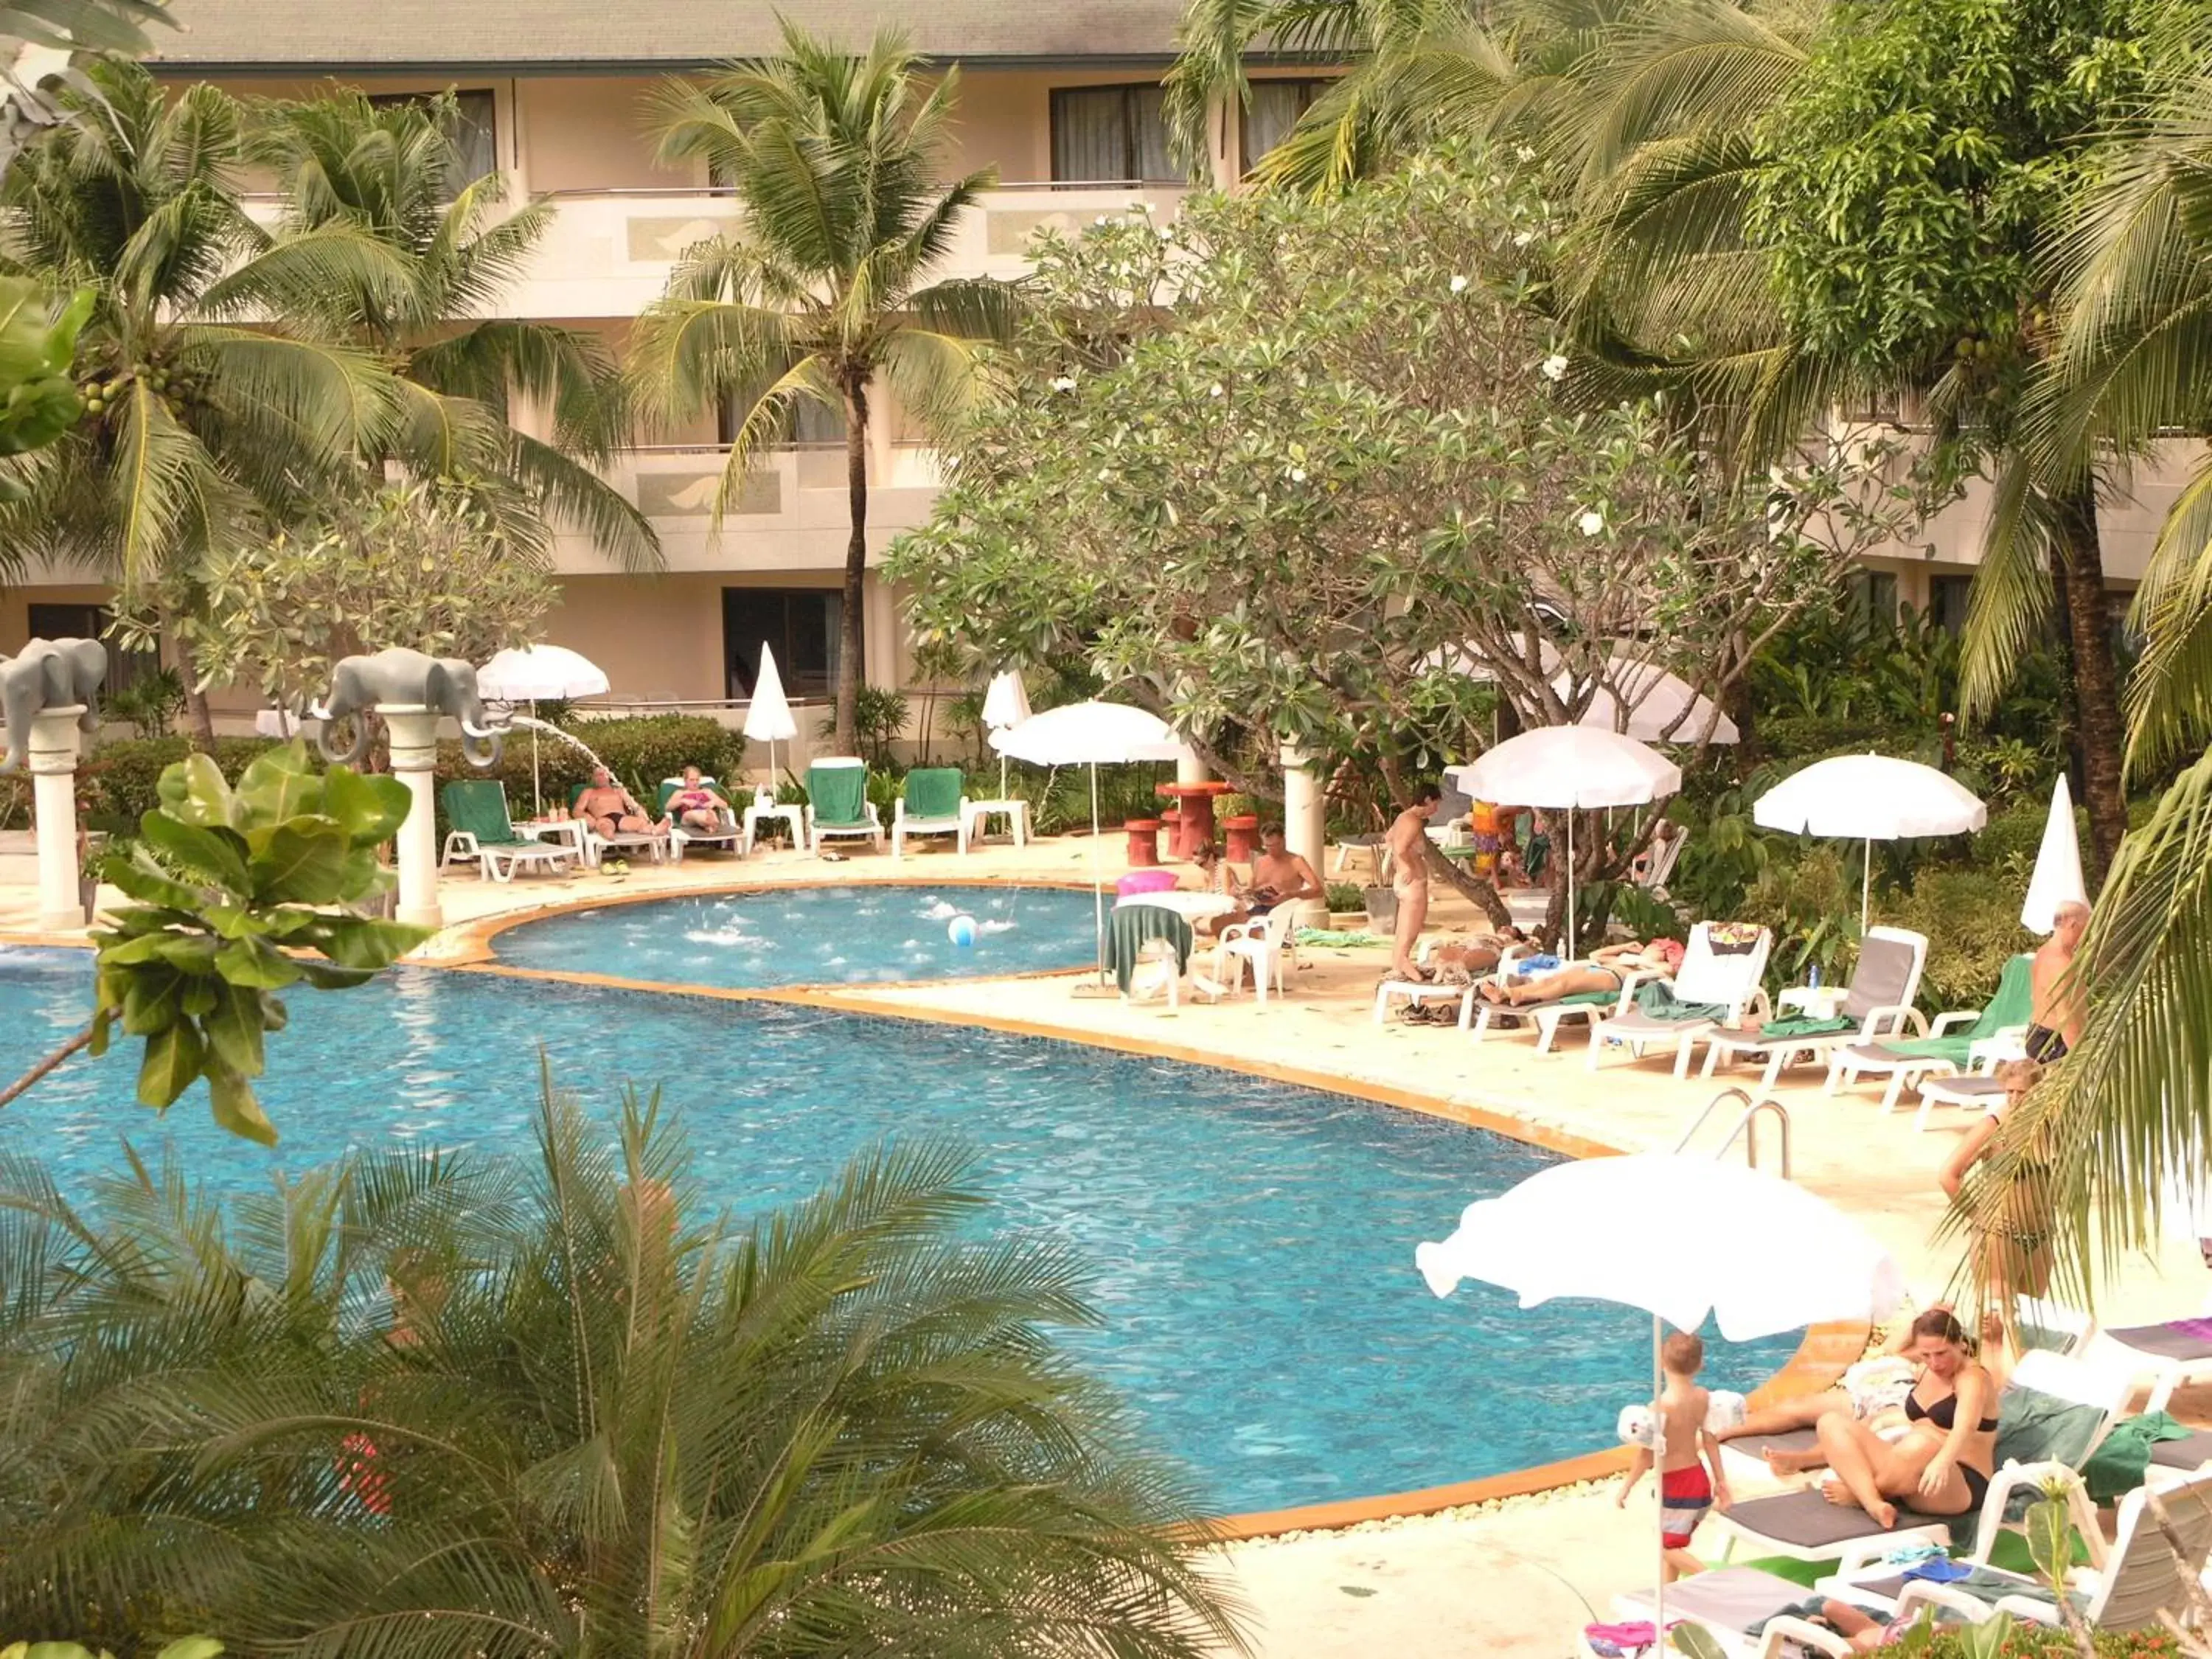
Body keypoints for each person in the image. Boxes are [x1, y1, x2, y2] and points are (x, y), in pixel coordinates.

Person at [1792, 1309, 1999, 1531]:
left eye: (1941, 1353)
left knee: (1922, 1444)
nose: (1935, 1363)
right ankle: (1873, 1502)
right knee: (1831, 1423)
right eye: (1926, 1355)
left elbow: (1965, 1426)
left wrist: (1942, 1462)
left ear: (1961, 1344)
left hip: (1958, 1481)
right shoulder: (1925, 1370)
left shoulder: (1972, 1378)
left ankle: (1858, 1493)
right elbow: (1895, 1350)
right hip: (1908, 1474)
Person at [1940, 1058, 2056, 1332]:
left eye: (2023, 1092)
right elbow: (1948, 1175)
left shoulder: (2049, 1126)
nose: (2015, 1099)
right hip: (2001, 1236)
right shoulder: (1993, 1127)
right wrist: (1978, 1214)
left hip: (2040, 1236)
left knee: (2028, 1321)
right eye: (2010, 1092)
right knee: (1995, 1322)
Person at [1616, 1330, 1731, 1580]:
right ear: (1700, 1365)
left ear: (1661, 1362)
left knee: (1667, 1549)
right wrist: (1721, 1482)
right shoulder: (1703, 1397)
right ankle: (1670, 1606)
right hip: (1699, 1482)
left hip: (1675, 1488)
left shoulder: (1659, 1407)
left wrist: (1627, 1486)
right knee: (1673, 1545)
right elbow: (1711, 1442)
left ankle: (1714, 1579)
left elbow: (1647, 1456)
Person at [1477, 937, 1684, 1006]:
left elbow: (1667, 972)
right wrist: (1624, 948)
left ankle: (1516, 994)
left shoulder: (1662, 966)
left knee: (1564, 985)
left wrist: (1637, 958)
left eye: (1657, 947)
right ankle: (1506, 994)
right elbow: (1595, 956)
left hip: (1611, 979)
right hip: (1596, 969)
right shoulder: (1627, 958)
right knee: (1555, 980)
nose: (1651, 946)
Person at [1385, 785, 1442, 980]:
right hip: (1413, 884)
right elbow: (1400, 848)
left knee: (1402, 935)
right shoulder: (1414, 821)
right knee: (1409, 937)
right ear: (1427, 800)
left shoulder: (1402, 817)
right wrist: (1408, 866)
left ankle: (1396, 977)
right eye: (1436, 804)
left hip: (1402, 883)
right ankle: (1408, 972)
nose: (1436, 809)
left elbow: (1389, 838)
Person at [2024, 899, 2089, 1061]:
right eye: (2086, 926)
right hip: (2054, 1040)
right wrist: (2079, 1058)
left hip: (2038, 1033)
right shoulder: (2061, 963)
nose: (2087, 932)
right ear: (2073, 925)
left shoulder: (2043, 952)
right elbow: (2066, 1016)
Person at [1248, 824, 1323, 914]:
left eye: (1275, 845)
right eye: (1267, 846)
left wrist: (1291, 895)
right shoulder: (1260, 862)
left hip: (1282, 911)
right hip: (1257, 909)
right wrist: (1243, 892)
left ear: (1283, 841)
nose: (1271, 849)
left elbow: (1319, 891)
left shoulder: (1296, 861)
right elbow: (1250, 890)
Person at [1180, 841, 1248, 937]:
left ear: (1211, 857)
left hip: (1234, 910)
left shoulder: (1223, 870)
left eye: (1202, 863)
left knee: (1200, 926)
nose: (1201, 867)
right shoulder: (1206, 873)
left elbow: (1227, 900)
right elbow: (1207, 896)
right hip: (1219, 910)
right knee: (1189, 923)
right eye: (1198, 864)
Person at [574, 767, 653, 841]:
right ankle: (614, 844)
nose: (599, 778)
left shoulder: (618, 791)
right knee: (606, 829)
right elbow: (577, 810)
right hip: (603, 818)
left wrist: (642, 813)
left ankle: (656, 837)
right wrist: (587, 817)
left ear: (608, 776)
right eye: (596, 776)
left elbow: (635, 806)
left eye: (602, 774)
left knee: (642, 823)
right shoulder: (589, 792)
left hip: (622, 818)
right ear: (593, 779)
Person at [663, 765, 731, 834]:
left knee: (710, 812)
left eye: (697, 780)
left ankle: (709, 826)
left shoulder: (706, 791)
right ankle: (710, 822)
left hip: (705, 812)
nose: (695, 783)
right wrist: (683, 801)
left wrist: (714, 802)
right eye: (692, 780)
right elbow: (667, 807)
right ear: (685, 780)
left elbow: (725, 805)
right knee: (694, 813)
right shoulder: (680, 793)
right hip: (687, 817)